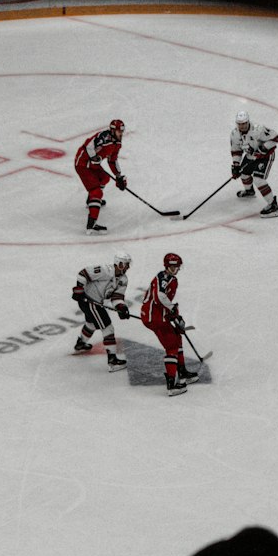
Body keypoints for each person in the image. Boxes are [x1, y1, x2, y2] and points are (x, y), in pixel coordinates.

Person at [140, 253, 198, 394]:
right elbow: (159, 296)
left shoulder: (168, 278)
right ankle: (172, 383)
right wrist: (173, 312)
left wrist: (174, 315)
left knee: (177, 337)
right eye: (173, 267)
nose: (176, 269)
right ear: (167, 266)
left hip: (157, 316)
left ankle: (182, 371)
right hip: (155, 318)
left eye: (177, 267)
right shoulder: (165, 278)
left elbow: (161, 300)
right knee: (171, 345)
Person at [72, 252, 131, 368]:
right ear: (119, 264)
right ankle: (112, 361)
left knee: (92, 324)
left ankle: (81, 344)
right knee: (107, 328)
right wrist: (79, 288)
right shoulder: (105, 270)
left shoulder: (123, 279)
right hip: (89, 301)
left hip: (94, 302)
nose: (128, 267)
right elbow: (83, 273)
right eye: (126, 264)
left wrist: (121, 307)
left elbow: (117, 297)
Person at [74, 117, 127, 232]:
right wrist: (93, 157)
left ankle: (92, 201)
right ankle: (91, 225)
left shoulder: (117, 143)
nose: (121, 133)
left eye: (122, 131)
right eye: (119, 131)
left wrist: (118, 176)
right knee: (97, 191)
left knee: (104, 178)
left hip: (93, 165)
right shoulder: (104, 137)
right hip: (83, 164)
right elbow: (88, 145)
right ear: (112, 131)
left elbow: (112, 161)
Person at [230, 107, 278, 217]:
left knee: (258, 180)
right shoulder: (234, 134)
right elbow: (236, 150)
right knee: (243, 173)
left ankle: (273, 205)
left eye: (244, 123)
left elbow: (275, 138)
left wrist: (264, 148)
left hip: (265, 156)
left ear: (248, 122)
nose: (241, 126)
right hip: (251, 155)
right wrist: (236, 165)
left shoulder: (258, 129)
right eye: (239, 124)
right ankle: (249, 191)